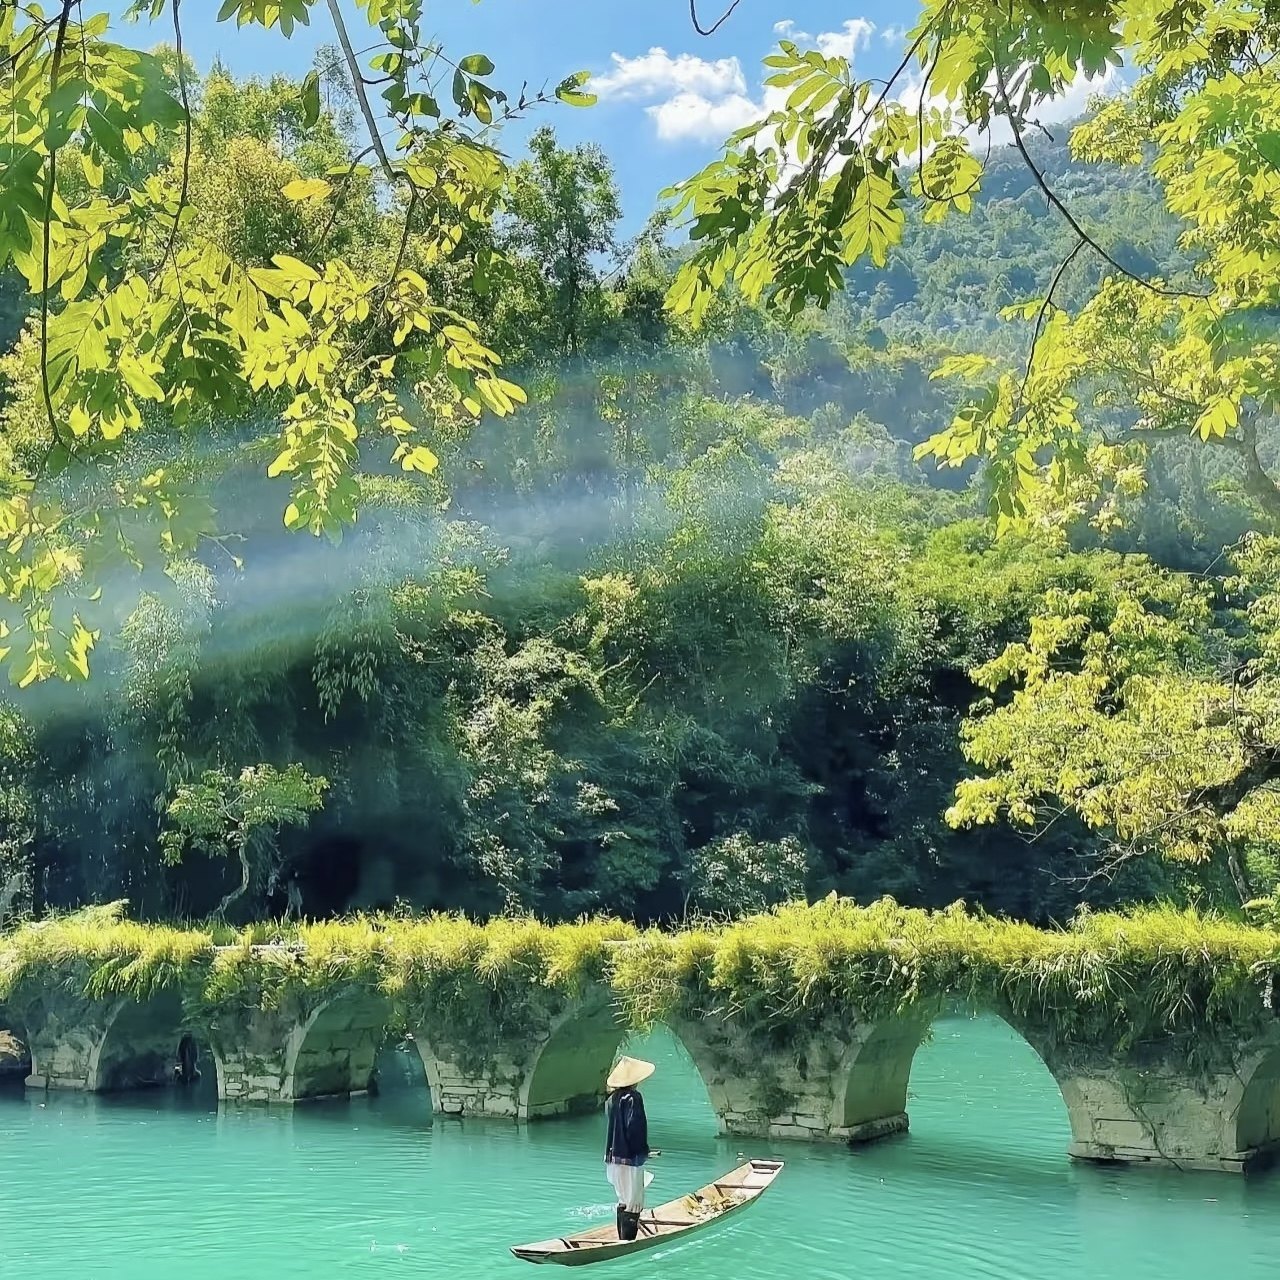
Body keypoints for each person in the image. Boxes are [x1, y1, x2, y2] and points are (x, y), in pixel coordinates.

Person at [604, 1056, 653, 1241]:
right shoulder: (633, 1098)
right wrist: (643, 1150)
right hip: (631, 1157)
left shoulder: (613, 1099)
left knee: (623, 1199)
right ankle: (628, 1242)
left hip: (613, 1156)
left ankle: (621, 1240)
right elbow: (634, 1127)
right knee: (634, 1202)